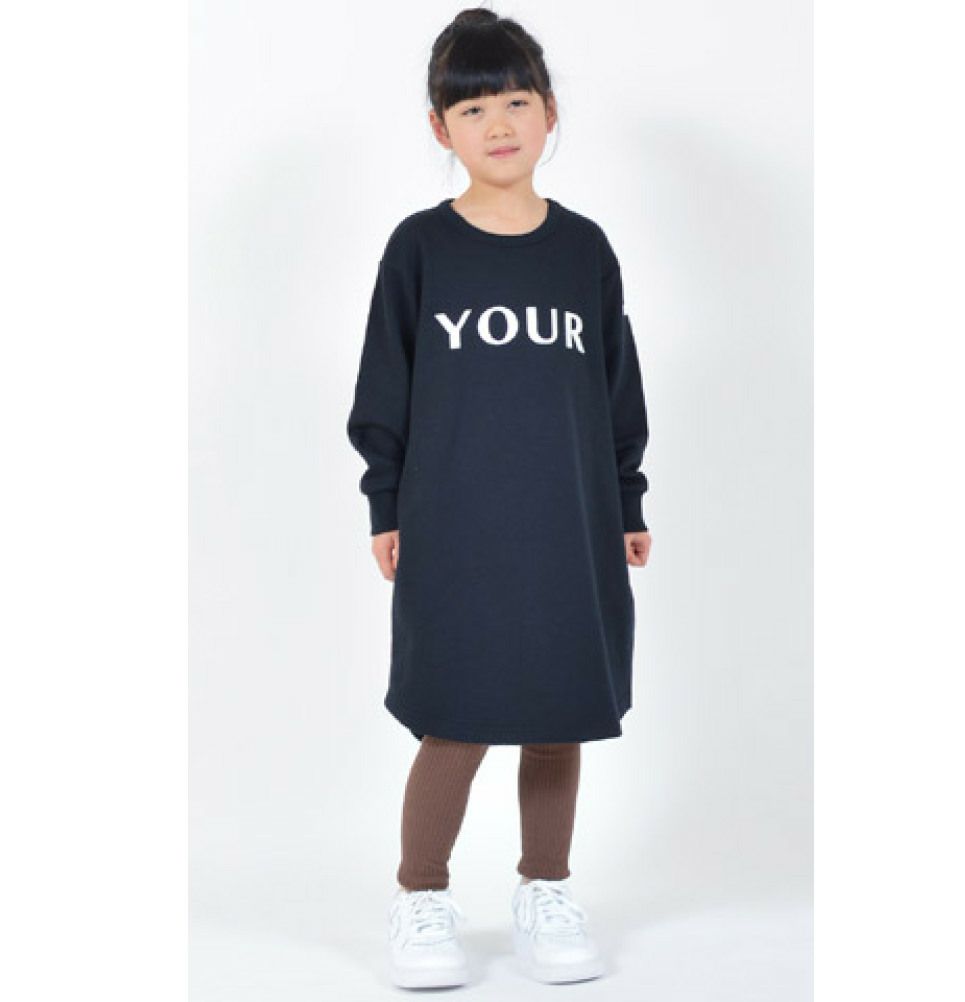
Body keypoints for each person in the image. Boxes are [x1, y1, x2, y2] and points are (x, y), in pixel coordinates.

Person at [346, 7, 652, 989]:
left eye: (515, 101)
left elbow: (615, 386)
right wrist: (386, 504)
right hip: (454, 528)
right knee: (458, 713)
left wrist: (628, 501)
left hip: (570, 526)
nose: (499, 124)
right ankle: (421, 895)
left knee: (558, 710)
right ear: (441, 129)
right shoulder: (420, 248)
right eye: (473, 108)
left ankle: (545, 890)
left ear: (549, 112)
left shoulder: (584, 251)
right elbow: (384, 385)